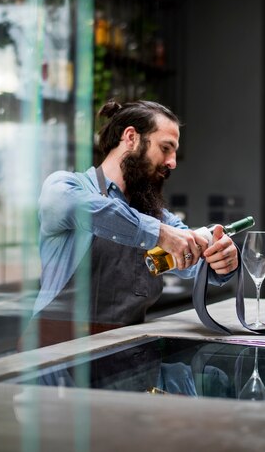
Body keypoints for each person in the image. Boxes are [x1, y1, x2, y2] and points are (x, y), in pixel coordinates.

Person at [21, 99, 240, 349]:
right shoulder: (67, 187)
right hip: (55, 353)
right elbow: (76, 207)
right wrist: (157, 234)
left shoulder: (156, 215)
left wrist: (222, 262)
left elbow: (194, 254)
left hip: (124, 351)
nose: (172, 162)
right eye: (166, 148)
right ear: (131, 137)